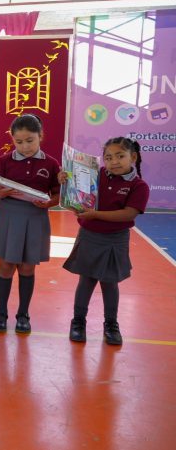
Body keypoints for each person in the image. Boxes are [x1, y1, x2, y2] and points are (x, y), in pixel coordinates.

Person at [62, 138, 149, 346]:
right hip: (89, 235)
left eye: (120, 156)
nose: (114, 162)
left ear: (133, 157)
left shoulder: (139, 186)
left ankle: (111, 324)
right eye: (108, 158)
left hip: (115, 239)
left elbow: (128, 214)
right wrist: (65, 179)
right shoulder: (95, 174)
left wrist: (96, 215)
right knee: (86, 281)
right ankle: (78, 322)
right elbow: (77, 193)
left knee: (110, 283)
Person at [0, 114, 60, 334]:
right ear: (13, 140)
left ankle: (23, 314)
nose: (25, 146)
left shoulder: (51, 163)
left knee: (27, 267)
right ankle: (0, 313)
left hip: (35, 218)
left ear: (40, 136)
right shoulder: (4, 161)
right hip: (8, 217)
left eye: (30, 140)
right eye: (19, 142)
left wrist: (49, 203)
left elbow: (57, 195)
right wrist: (0, 192)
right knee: (6, 266)